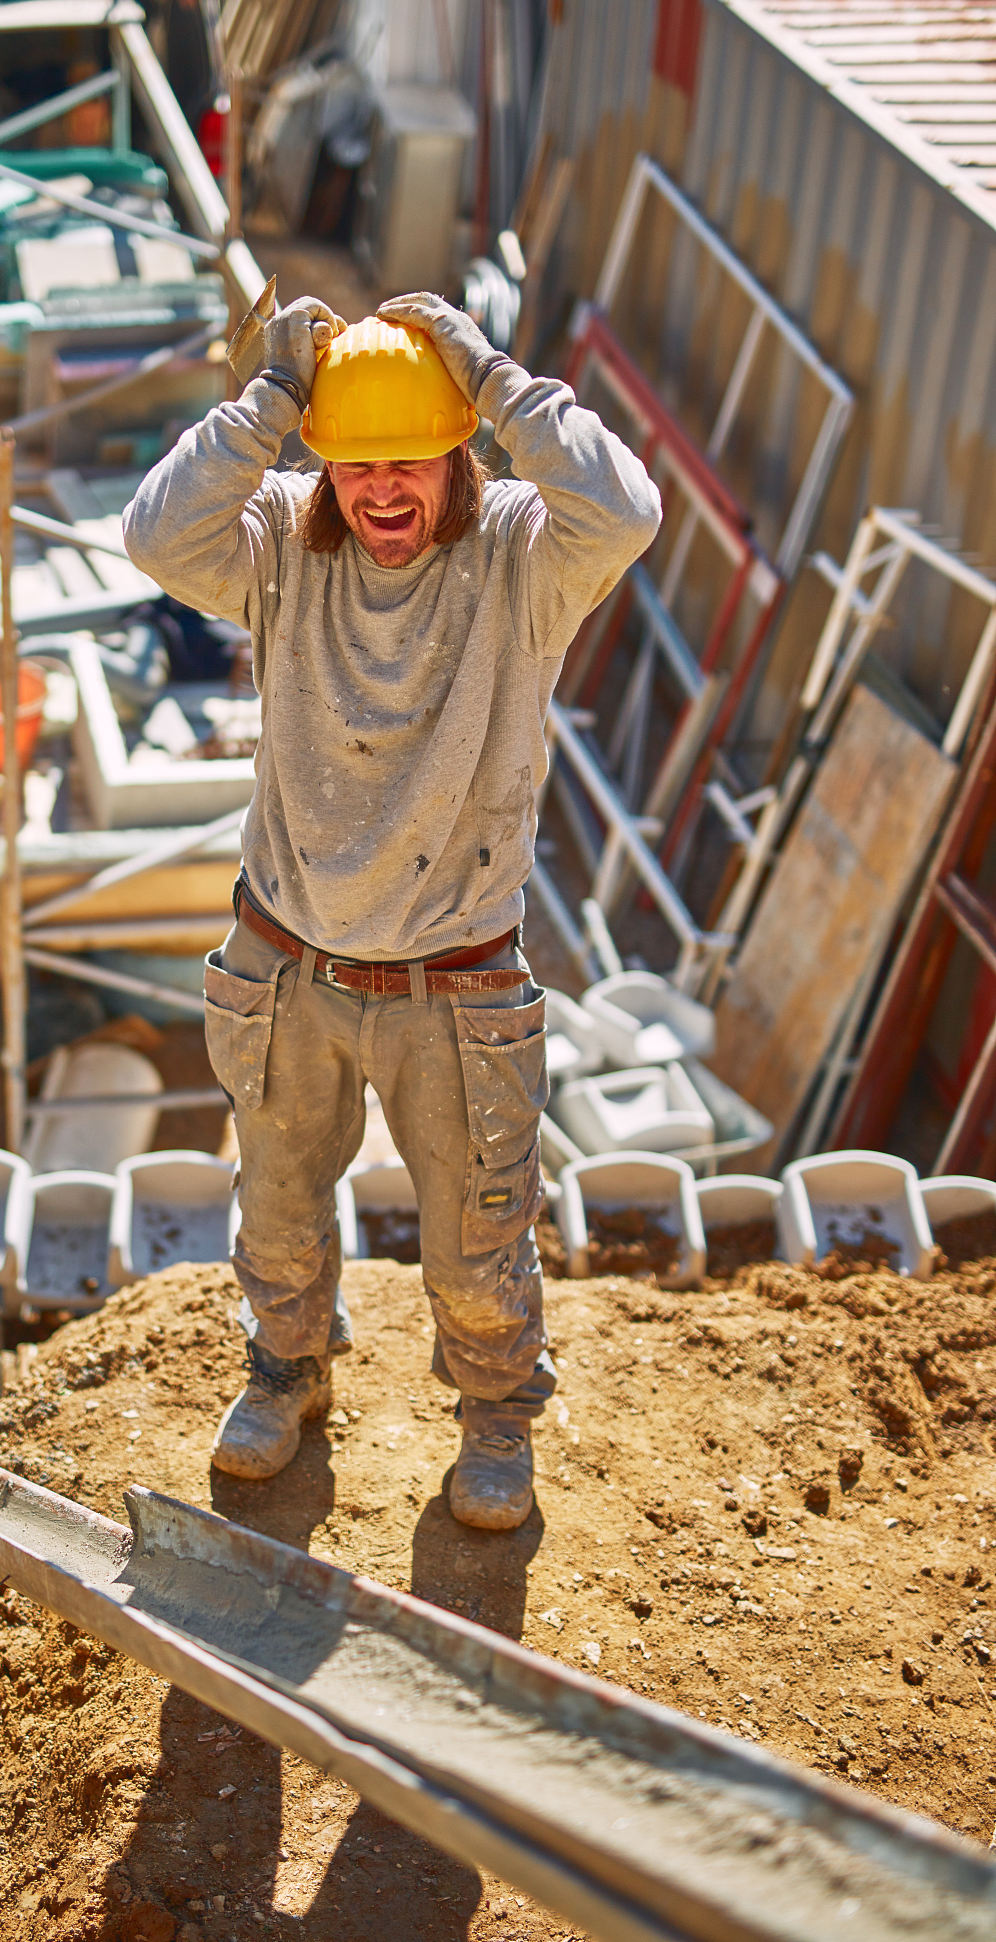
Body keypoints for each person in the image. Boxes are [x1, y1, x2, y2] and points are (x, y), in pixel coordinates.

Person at [123, 292, 660, 1529]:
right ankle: (285, 1372)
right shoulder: (280, 544)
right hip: (291, 960)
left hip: (455, 976)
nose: (380, 492)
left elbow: (628, 507)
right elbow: (157, 535)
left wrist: (497, 375)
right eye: (353, 463)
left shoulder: (526, 555)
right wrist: (266, 403)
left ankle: (492, 1419)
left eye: (409, 459)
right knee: (277, 1207)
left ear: (460, 450)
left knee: (479, 1244)